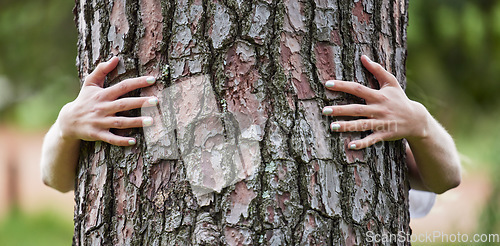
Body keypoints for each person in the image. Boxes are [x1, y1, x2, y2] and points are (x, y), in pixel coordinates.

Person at [41, 56, 461, 201]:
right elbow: (57, 180)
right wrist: (65, 127)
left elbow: (444, 178)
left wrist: (420, 124)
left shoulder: (373, 148)